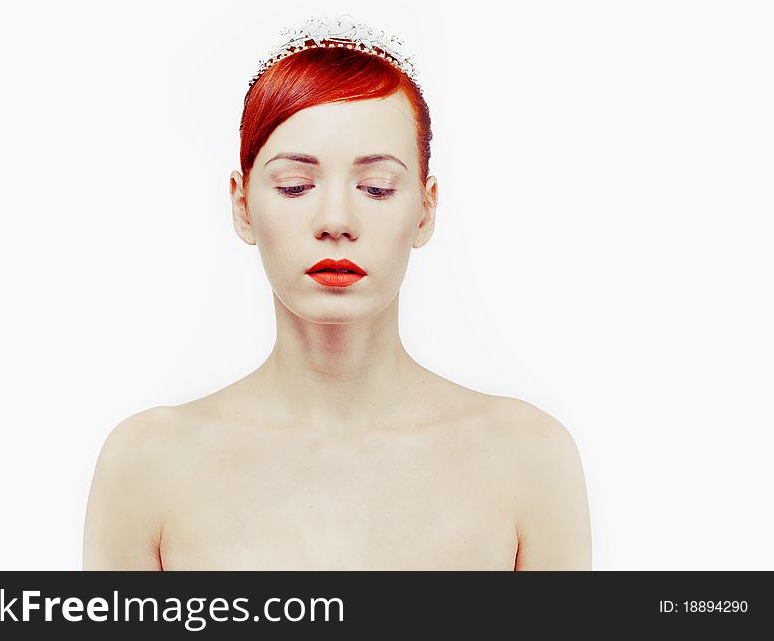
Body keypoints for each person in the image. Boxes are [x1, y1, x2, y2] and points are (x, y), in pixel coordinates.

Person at [82, 15, 592, 570]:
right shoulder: (147, 465)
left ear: (425, 208)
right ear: (242, 204)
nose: (335, 220)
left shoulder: (529, 460)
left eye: (376, 187)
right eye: (295, 186)